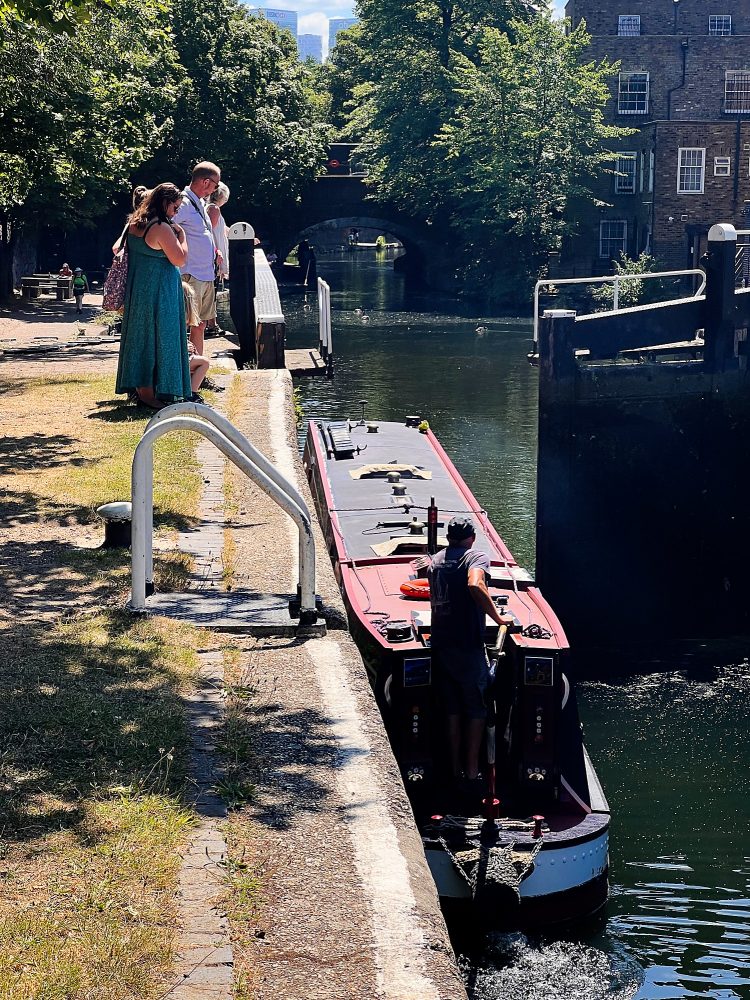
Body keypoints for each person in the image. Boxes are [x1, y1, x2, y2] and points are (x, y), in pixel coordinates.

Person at [426, 516, 512, 788]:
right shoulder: (475, 557)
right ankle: (473, 772)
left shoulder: (436, 560)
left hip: (442, 645)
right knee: (477, 708)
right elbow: (475, 584)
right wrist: (498, 618)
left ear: (448, 536)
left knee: (452, 709)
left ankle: (454, 770)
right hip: (467, 646)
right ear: (472, 537)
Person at [115, 182, 192, 410]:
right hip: (161, 291)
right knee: (163, 338)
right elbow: (179, 259)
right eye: (175, 207)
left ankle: (142, 389)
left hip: (139, 288)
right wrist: (183, 236)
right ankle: (157, 391)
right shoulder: (161, 228)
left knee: (141, 338)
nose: (176, 212)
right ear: (165, 203)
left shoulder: (134, 224)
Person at [171, 161, 223, 357]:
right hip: (191, 273)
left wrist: (213, 250)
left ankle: (198, 366)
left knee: (200, 324)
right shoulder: (183, 203)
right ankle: (184, 369)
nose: (216, 189)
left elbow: (201, 234)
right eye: (216, 184)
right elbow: (167, 228)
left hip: (205, 272)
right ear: (206, 182)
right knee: (185, 323)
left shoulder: (199, 202)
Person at [205, 181, 230, 337]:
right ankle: (211, 325)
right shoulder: (214, 209)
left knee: (211, 291)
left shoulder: (212, 209)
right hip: (213, 257)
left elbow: (223, 230)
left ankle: (211, 324)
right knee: (211, 292)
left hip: (212, 256)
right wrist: (216, 254)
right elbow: (210, 232)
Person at [182, 278, 210, 400]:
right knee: (204, 362)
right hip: (177, 360)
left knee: (194, 355)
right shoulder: (181, 321)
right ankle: (192, 392)